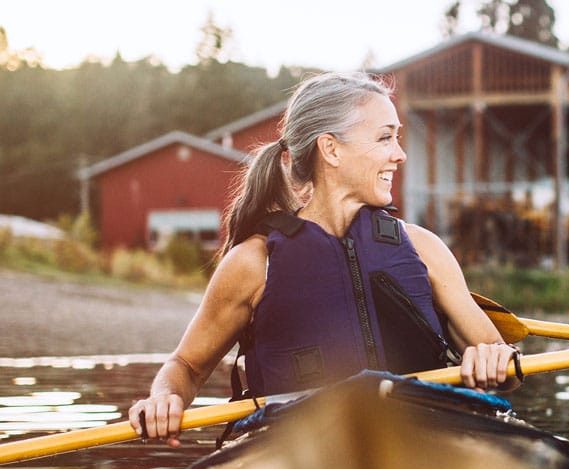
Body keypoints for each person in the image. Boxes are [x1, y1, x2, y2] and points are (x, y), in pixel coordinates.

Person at [130, 72, 520, 447]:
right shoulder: (253, 263)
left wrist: (495, 357)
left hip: (421, 441)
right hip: (300, 452)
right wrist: (165, 397)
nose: (399, 155)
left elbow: (508, 370)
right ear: (331, 149)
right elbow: (187, 366)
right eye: (385, 138)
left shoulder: (423, 249)